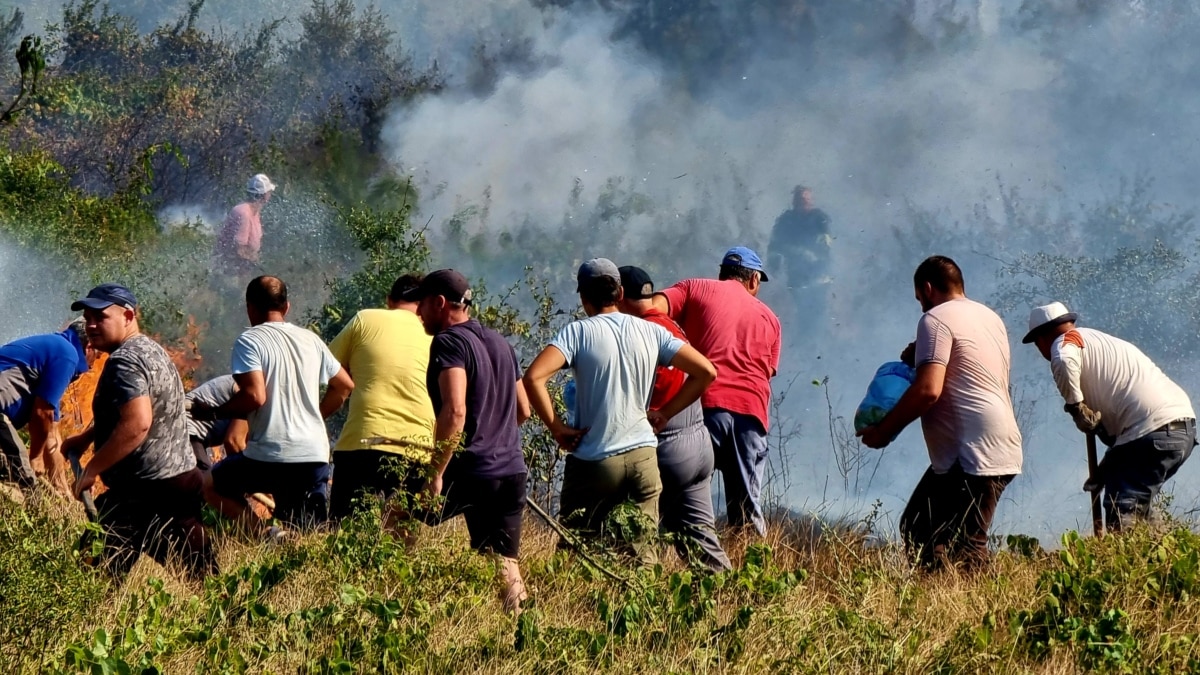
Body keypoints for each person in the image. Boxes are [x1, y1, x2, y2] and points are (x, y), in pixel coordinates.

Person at [525, 259, 717, 561]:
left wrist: (557, 428)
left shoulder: (577, 333)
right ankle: (642, 603)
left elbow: (533, 377)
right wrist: (665, 413)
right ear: (620, 291)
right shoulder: (651, 332)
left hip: (595, 460)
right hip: (643, 457)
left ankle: (575, 605)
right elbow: (705, 372)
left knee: (578, 550)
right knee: (642, 555)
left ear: (584, 297)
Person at [859, 256, 1022, 572]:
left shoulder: (935, 319)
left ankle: (974, 612)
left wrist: (883, 432)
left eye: (920, 300)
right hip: (997, 440)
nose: (922, 307)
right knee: (921, 527)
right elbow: (966, 367)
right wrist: (919, 355)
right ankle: (941, 600)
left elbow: (928, 390)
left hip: (972, 450)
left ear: (928, 288)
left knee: (963, 544)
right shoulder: (990, 318)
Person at [64, 283, 214, 578]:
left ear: (128, 315)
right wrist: (87, 437)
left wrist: (93, 468)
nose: (91, 325)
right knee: (200, 575)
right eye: (88, 317)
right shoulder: (150, 349)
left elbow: (137, 423)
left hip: (147, 489)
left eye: (101, 317)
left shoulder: (124, 361)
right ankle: (227, 614)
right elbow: (136, 409)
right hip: (178, 480)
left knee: (92, 576)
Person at [409, 269, 532, 614]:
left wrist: (436, 472)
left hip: (473, 471)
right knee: (503, 560)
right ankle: (523, 631)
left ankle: (392, 596)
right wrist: (496, 435)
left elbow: (456, 410)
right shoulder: (502, 344)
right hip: (511, 471)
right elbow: (523, 409)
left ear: (440, 303)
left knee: (396, 510)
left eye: (422, 305)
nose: (418, 313)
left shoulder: (449, 343)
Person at [197, 276, 354, 532]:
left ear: (250, 307)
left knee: (209, 485)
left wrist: (213, 411)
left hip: (269, 456)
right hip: (314, 454)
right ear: (287, 307)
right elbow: (345, 386)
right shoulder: (311, 340)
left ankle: (264, 535)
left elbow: (255, 396)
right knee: (307, 533)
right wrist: (315, 417)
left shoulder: (250, 340)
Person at [1022, 302, 1195, 531]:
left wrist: (1077, 409)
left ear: (1041, 339)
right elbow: (1128, 427)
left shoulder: (1064, 343)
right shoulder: (1104, 342)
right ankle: (1163, 557)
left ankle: (1128, 563)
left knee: (1123, 506)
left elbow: (1063, 361)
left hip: (1152, 430)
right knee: (1140, 505)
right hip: (1179, 428)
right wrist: (1106, 469)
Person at [649, 247, 782, 536]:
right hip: (750, 415)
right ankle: (752, 571)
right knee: (747, 509)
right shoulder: (771, 319)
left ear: (721, 273)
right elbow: (767, 372)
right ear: (754, 280)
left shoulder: (693, 288)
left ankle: (665, 563)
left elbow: (650, 310)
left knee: (681, 495)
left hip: (703, 408)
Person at [617, 265, 731, 571]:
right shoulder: (672, 325)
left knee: (630, 531)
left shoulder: (641, 333)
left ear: (620, 298)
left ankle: (634, 598)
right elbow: (702, 373)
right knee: (699, 537)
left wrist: (660, 414)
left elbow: (661, 389)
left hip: (667, 449)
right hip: (698, 446)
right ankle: (727, 597)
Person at [328, 274, 436, 529]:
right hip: (417, 448)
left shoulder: (365, 318)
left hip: (362, 441)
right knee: (399, 541)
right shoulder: (437, 335)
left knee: (345, 535)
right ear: (423, 305)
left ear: (389, 300)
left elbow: (328, 366)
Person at [0, 319, 91, 494]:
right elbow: (42, 414)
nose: (93, 364)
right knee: (26, 483)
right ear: (89, 348)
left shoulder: (56, 352)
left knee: (11, 469)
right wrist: (35, 456)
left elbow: (52, 435)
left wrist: (62, 489)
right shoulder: (67, 353)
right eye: (98, 355)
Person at [767, 185, 832, 293]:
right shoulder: (786, 220)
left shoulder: (820, 219)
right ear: (794, 202)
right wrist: (774, 266)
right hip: (795, 278)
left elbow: (826, 245)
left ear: (811, 201)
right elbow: (775, 245)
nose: (804, 203)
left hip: (819, 278)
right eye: (800, 200)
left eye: (806, 200)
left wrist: (817, 260)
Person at [214, 173, 276, 275]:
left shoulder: (254, 212)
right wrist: (260, 266)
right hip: (229, 272)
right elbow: (238, 250)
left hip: (242, 270)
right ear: (265, 195)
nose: (270, 195)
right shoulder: (244, 213)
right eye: (269, 192)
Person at [185, 374, 241, 471]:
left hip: (195, 437)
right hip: (186, 432)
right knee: (204, 479)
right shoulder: (248, 393)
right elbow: (234, 443)